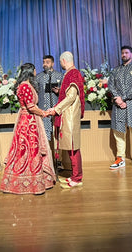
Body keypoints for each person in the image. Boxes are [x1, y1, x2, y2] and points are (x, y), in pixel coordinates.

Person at [0, 63, 56, 195]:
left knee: (27, 149)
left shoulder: (25, 85)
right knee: (30, 148)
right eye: (35, 70)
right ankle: (31, 183)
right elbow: (30, 106)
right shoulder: (25, 86)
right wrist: (44, 113)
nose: (36, 72)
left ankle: (34, 179)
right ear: (30, 72)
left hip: (28, 119)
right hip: (28, 121)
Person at [47, 51, 85, 188]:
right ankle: (75, 176)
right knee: (71, 147)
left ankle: (77, 178)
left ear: (63, 60)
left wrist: (55, 109)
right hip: (68, 114)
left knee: (73, 147)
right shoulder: (71, 73)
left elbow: (71, 97)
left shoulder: (72, 74)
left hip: (70, 115)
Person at [108, 45, 132, 173]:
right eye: (122, 53)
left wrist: (122, 98)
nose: (124, 55)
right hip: (118, 107)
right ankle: (120, 158)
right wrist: (117, 99)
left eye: (126, 53)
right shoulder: (116, 70)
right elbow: (111, 85)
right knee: (118, 133)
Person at [35, 55, 64, 143]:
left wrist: (59, 91)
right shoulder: (39, 77)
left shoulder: (59, 76)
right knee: (44, 139)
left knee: (58, 138)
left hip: (56, 111)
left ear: (53, 63)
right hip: (43, 112)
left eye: (47, 62)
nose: (45, 64)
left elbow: (65, 94)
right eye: (43, 62)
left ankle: (57, 156)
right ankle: (46, 156)